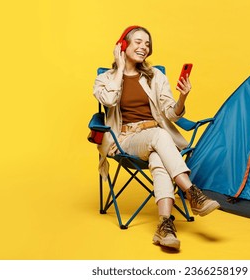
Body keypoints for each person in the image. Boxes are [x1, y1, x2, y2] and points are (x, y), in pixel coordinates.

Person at [93, 26, 220, 250]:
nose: (144, 47)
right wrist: (120, 67)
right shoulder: (105, 79)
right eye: (138, 42)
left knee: (159, 160)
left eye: (147, 44)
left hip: (155, 141)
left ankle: (164, 226)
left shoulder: (155, 76)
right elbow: (109, 101)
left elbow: (171, 112)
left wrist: (182, 97)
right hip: (125, 141)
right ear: (123, 45)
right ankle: (192, 193)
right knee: (160, 136)